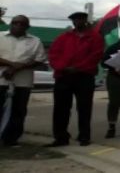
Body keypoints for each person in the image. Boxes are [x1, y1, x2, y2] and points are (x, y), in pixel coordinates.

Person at [46, 11, 104, 147]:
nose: (77, 22)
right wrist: (62, 67)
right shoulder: (64, 37)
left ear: (85, 20)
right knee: (61, 108)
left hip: (84, 77)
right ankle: (60, 137)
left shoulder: (95, 37)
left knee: (84, 108)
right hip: (63, 76)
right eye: (74, 20)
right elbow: (54, 54)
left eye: (80, 19)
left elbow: (95, 56)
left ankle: (84, 136)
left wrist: (78, 68)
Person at [0, 15, 47, 146]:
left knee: (19, 110)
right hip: (1, 80)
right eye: (15, 23)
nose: (18, 25)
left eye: (22, 24)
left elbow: (40, 59)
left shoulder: (35, 41)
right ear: (10, 24)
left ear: (27, 26)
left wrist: (19, 68)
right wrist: (12, 65)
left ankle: (11, 139)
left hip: (23, 82)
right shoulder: (0, 36)